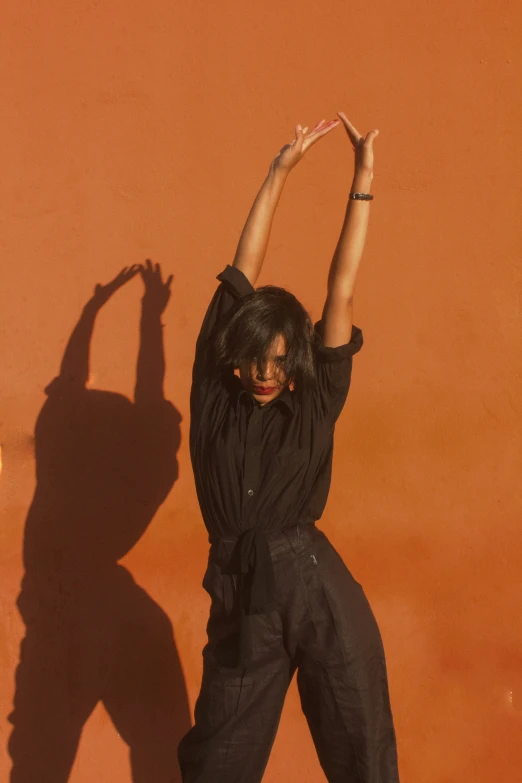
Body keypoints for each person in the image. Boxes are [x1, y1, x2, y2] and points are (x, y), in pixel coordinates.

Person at [178, 113, 400, 783]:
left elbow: (342, 287)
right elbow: (240, 275)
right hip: (243, 593)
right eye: (256, 359)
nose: (268, 373)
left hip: (315, 582)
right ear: (234, 357)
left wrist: (361, 182)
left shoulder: (314, 400)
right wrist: (278, 174)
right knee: (217, 761)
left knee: (362, 746)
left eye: (280, 359)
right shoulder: (214, 399)